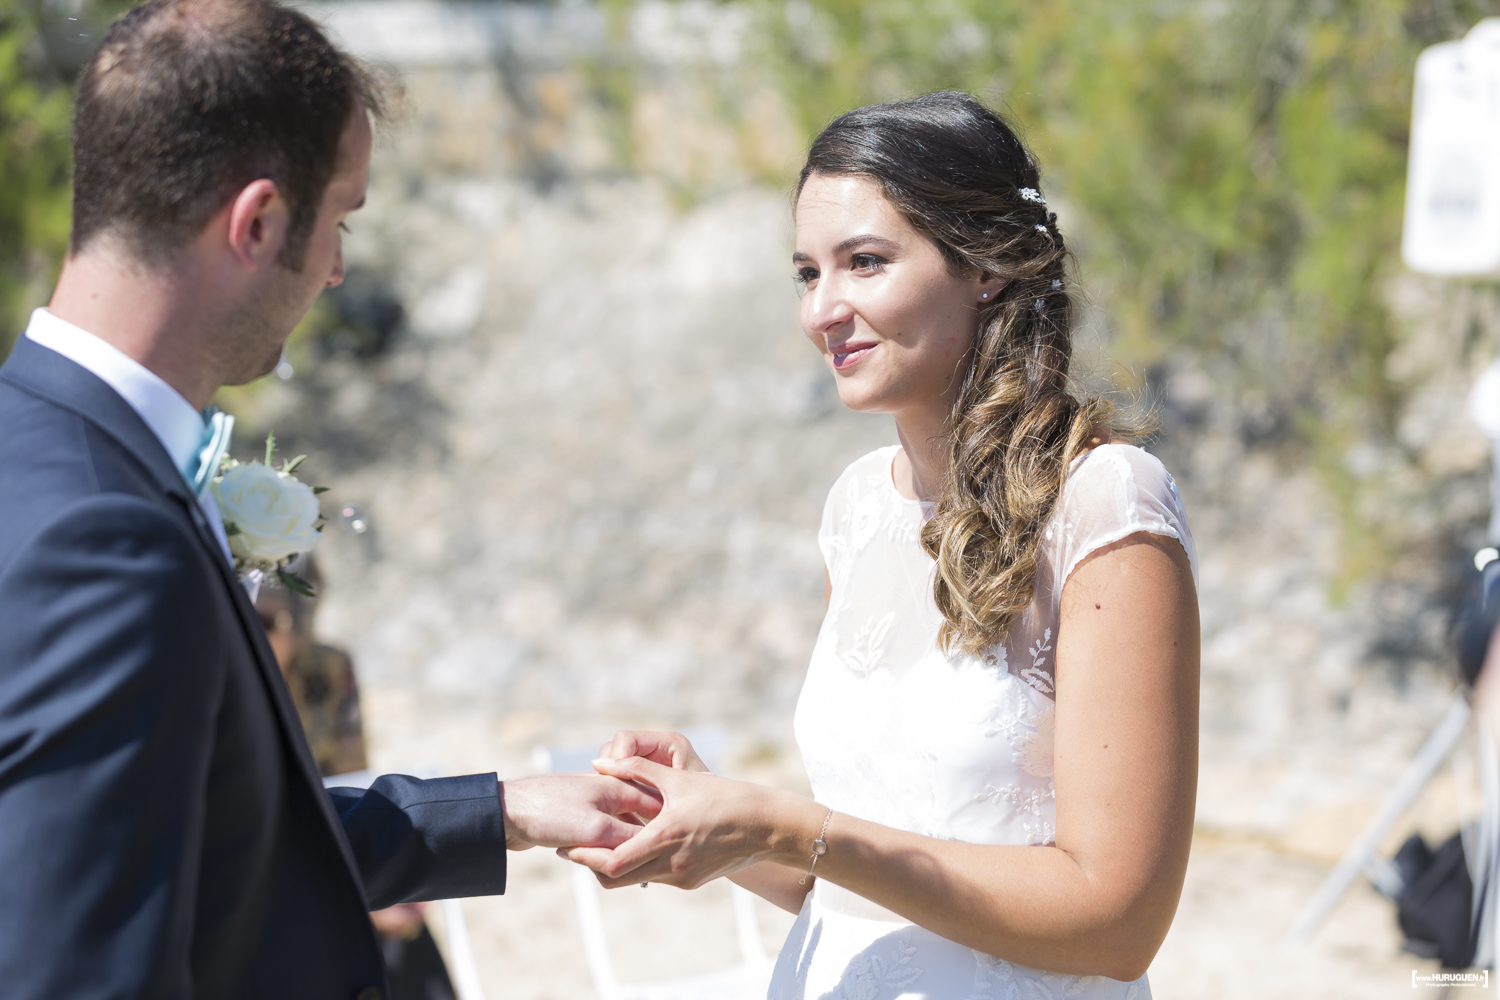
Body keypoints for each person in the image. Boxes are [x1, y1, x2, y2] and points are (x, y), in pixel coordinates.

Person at [0, 2, 659, 997]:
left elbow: (207, 850)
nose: (338, 269)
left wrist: (502, 809)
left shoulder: (39, 445)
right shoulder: (107, 541)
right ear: (259, 223)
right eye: (340, 221)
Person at [563, 92, 1201, 998]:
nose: (823, 310)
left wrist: (786, 826)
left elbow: (1120, 924)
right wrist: (721, 818)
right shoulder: (857, 507)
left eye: (864, 262)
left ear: (986, 267)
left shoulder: (1106, 503)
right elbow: (852, 886)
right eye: (806, 273)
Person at [256, 562, 459, 1000]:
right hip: (260, 863)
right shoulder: (213, 683)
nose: (255, 634)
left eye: (270, 621)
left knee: (401, 917)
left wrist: (375, 880)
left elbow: (352, 782)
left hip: (324, 834)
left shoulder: (328, 670)